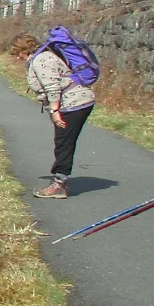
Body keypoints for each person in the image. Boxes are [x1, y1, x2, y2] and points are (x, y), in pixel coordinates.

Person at [20, 30, 96, 199]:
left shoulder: (41, 60)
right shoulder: (44, 57)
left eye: (17, 53)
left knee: (64, 143)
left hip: (75, 103)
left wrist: (54, 111)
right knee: (63, 141)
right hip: (74, 102)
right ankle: (59, 180)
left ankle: (59, 185)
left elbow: (52, 88)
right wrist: (52, 110)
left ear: (24, 50)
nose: (17, 58)